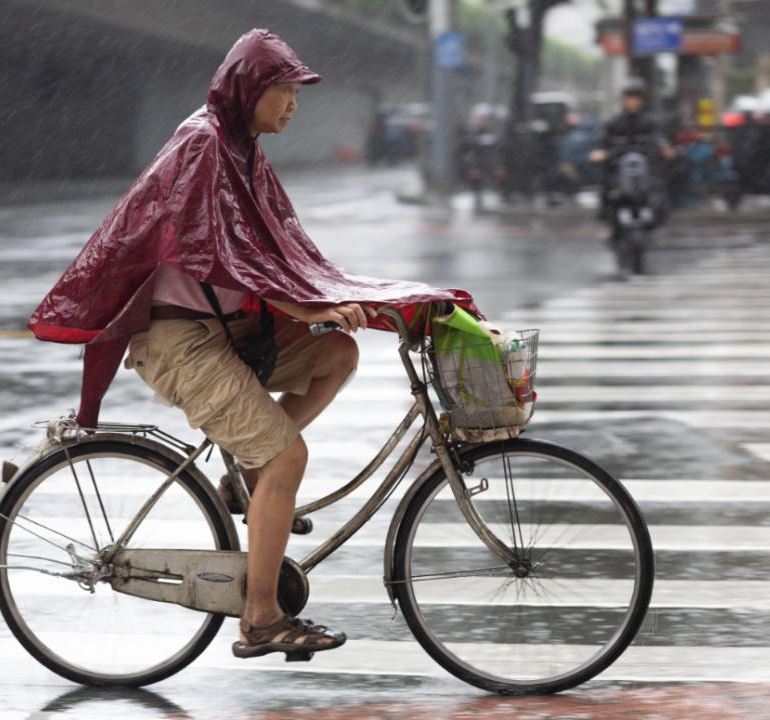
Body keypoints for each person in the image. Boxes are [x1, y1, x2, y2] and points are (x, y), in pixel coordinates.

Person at [27, 29, 472, 661]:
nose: (293, 103)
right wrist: (304, 305)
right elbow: (217, 252)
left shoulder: (243, 148)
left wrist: (363, 302)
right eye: (284, 90)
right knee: (288, 459)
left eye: (296, 91)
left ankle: (245, 484)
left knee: (337, 353)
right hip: (181, 339)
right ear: (248, 90)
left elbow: (285, 252)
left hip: (233, 330)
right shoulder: (205, 144)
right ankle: (261, 619)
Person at [588, 78, 676, 229]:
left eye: (636, 97)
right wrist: (598, 154)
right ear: (623, 99)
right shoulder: (613, 122)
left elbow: (660, 138)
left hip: (647, 173)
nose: (633, 101)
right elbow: (601, 144)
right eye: (629, 97)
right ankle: (611, 228)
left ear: (641, 99)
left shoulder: (650, 122)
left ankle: (650, 228)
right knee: (607, 194)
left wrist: (665, 148)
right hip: (618, 172)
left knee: (660, 197)